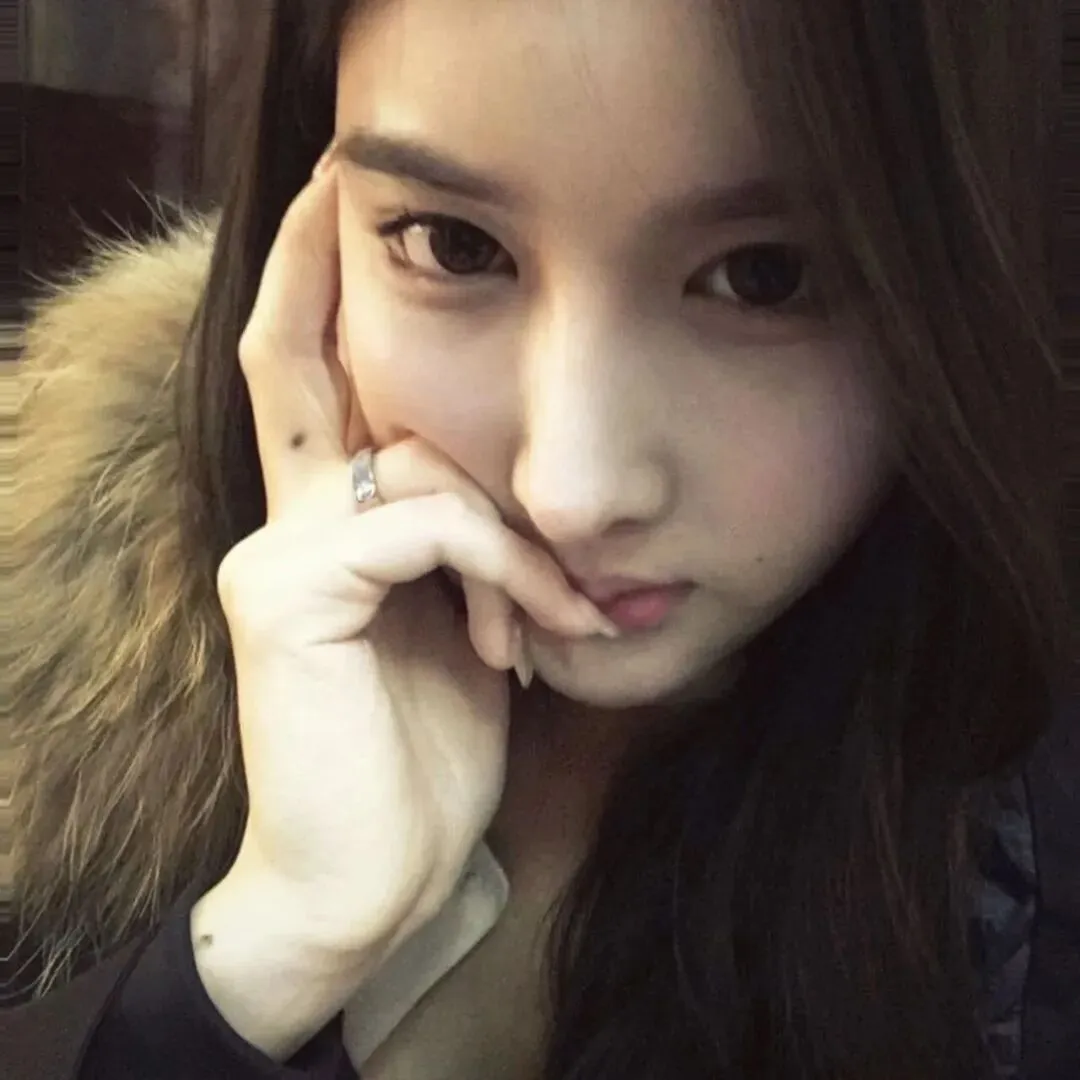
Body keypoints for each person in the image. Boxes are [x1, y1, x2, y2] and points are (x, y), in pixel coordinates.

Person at [4, 0, 1077, 1077]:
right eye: (454, 244)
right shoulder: (87, 660)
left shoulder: (1023, 879)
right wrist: (259, 960)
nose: (570, 492)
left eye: (766, 275)